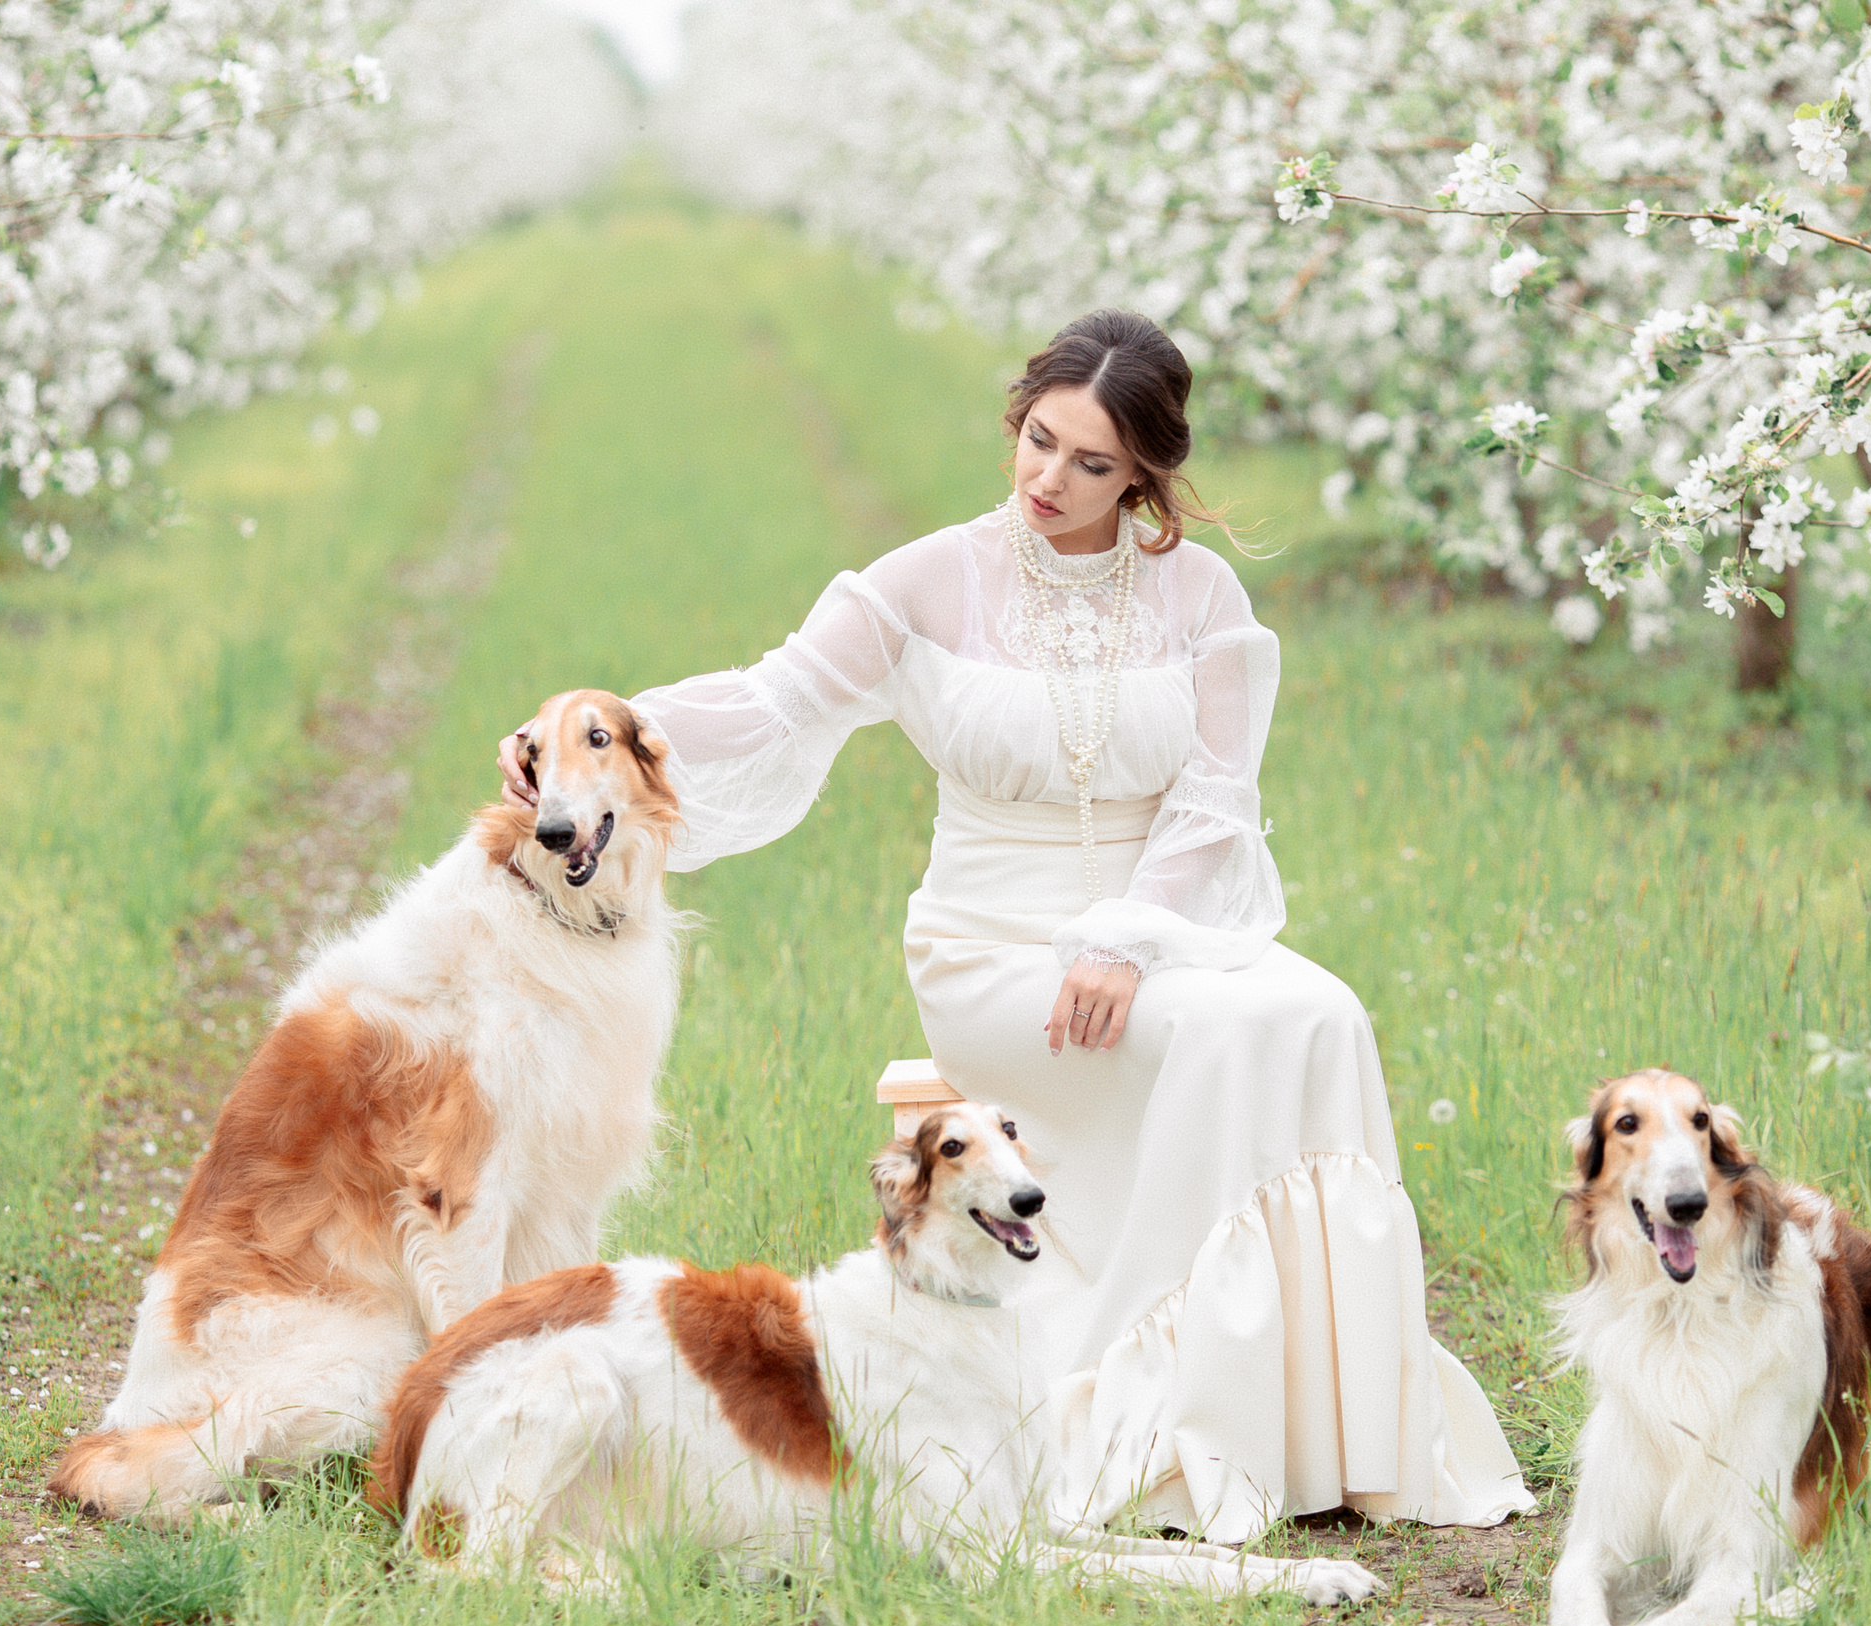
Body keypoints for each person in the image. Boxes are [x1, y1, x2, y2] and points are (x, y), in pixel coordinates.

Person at [609, 309, 1533, 1541]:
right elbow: (768, 702)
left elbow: (1215, 798)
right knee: (1216, 1036)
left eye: (1091, 463)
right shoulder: (928, 578)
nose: (1049, 478)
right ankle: (1163, 1417)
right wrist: (593, 731)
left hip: (1159, 934)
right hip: (990, 949)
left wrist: (1125, 936)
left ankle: (1324, 1427)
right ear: (1018, 418)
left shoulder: (1199, 594)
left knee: (1322, 1013)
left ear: (1141, 475)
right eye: (1039, 440)